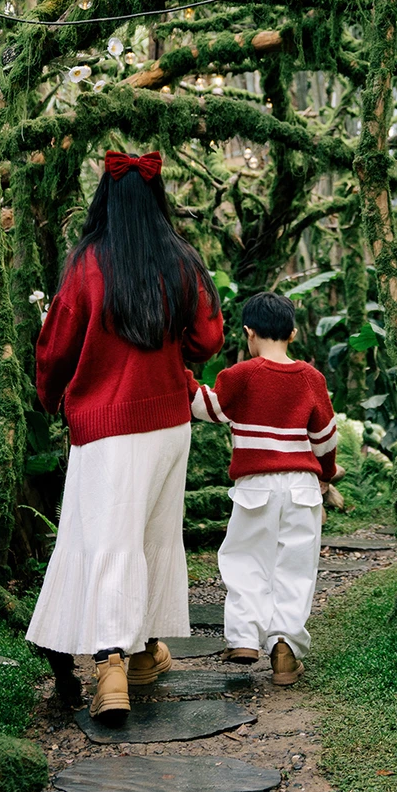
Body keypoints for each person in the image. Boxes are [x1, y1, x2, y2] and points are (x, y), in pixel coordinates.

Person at [28, 150, 223, 722]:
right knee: (153, 535)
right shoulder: (180, 259)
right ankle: (143, 654)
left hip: (108, 427)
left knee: (112, 540)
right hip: (168, 424)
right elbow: (207, 336)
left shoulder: (88, 263)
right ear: (158, 200)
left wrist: (55, 398)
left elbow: (56, 345)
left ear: (105, 198)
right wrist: (168, 354)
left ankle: (111, 666)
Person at [187, 291, 341, 685]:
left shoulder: (240, 375)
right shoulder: (312, 379)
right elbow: (324, 438)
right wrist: (326, 474)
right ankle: (285, 650)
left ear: (248, 333)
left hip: (255, 484)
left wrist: (180, 374)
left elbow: (208, 408)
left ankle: (242, 638)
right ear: (292, 332)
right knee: (295, 568)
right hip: (302, 486)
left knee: (245, 560)